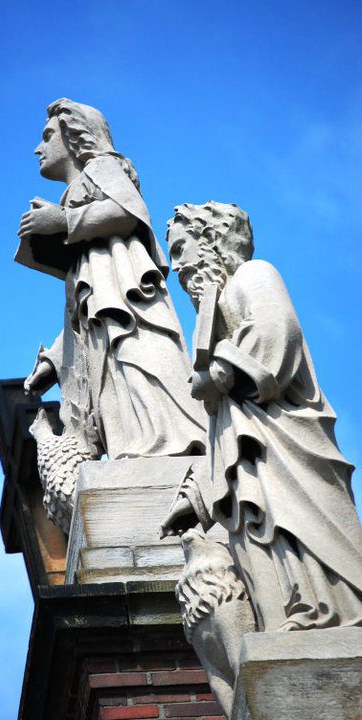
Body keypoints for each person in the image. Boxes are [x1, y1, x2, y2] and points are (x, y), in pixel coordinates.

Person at [161, 201, 362, 632]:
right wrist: (198, 495)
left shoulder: (254, 275)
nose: (174, 266)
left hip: (285, 441)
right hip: (253, 452)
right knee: (265, 530)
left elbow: (277, 331)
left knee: (301, 524)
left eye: (181, 249)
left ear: (211, 239)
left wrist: (218, 374)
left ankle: (328, 613)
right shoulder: (215, 308)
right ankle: (293, 613)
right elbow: (222, 434)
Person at [15, 99, 205, 459]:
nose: (37, 148)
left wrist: (64, 222)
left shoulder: (101, 168)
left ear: (74, 137)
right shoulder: (76, 200)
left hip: (130, 307)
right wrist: (56, 360)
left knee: (139, 363)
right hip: (103, 313)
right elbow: (81, 301)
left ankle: (173, 447)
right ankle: (137, 451)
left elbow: (131, 210)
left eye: (47, 136)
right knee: (114, 386)